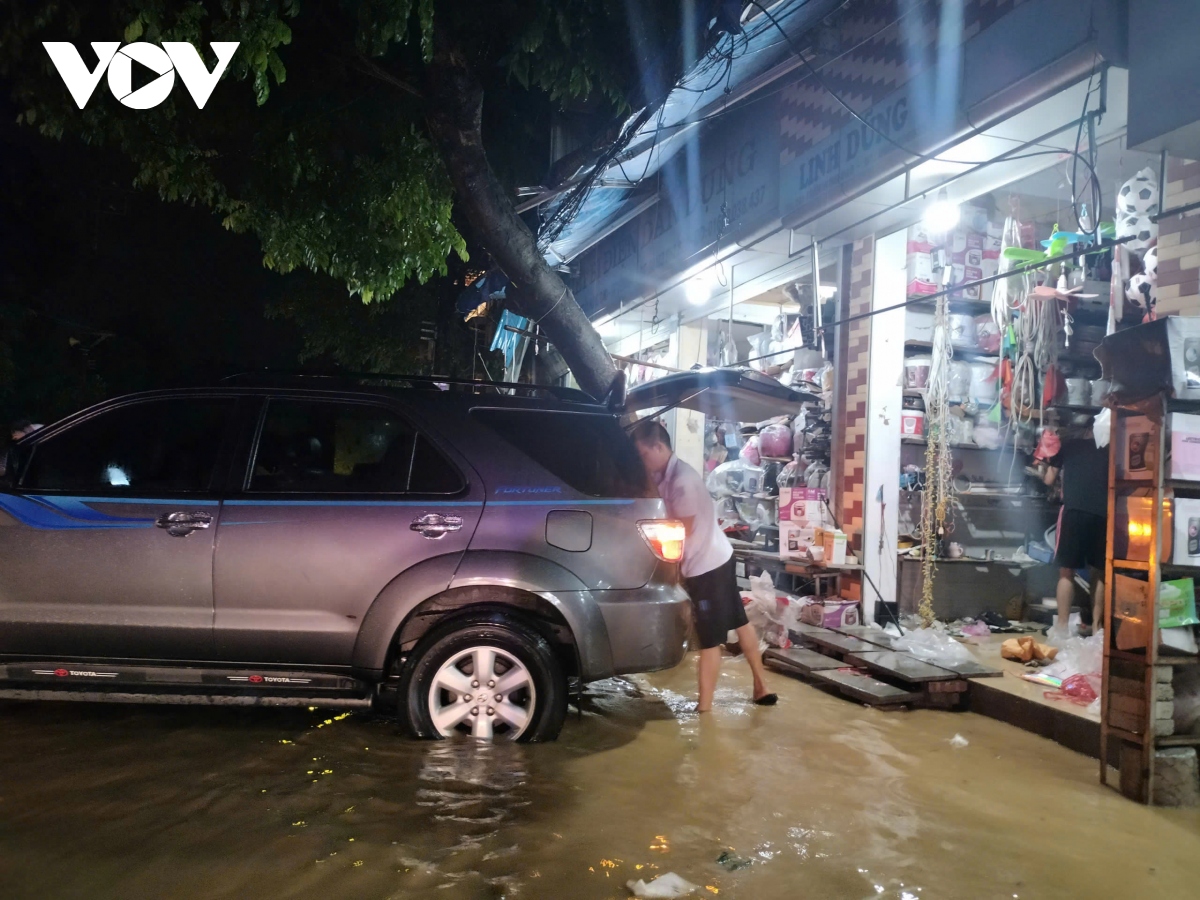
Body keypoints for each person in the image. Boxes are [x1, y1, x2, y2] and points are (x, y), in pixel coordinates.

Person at [632, 418, 777, 712]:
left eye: (644, 455)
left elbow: (677, 534)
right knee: (738, 620)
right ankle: (762, 686)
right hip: (717, 556)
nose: (642, 462)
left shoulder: (683, 480)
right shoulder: (664, 475)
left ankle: (704, 711)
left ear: (658, 447)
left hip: (707, 566)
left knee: (710, 640)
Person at [1041, 425, 1108, 637]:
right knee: (1099, 572)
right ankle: (1098, 629)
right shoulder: (1111, 448)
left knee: (1066, 571)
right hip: (1103, 513)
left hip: (1074, 511)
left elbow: (1048, 479)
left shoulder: (1068, 445)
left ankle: (1061, 627)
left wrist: (1043, 461)